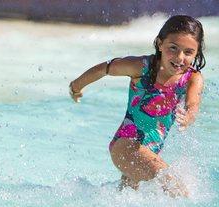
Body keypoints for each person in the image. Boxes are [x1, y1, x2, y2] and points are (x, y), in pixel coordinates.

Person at [68, 15, 205, 197]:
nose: (180, 57)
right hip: (125, 147)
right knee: (177, 189)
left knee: (126, 198)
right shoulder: (143, 67)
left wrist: (189, 116)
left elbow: (193, 103)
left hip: (149, 151)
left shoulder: (192, 79)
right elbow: (106, 68)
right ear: (159, 44)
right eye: (173, 48)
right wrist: (76, 86)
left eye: (188, 52)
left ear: (196, 54)